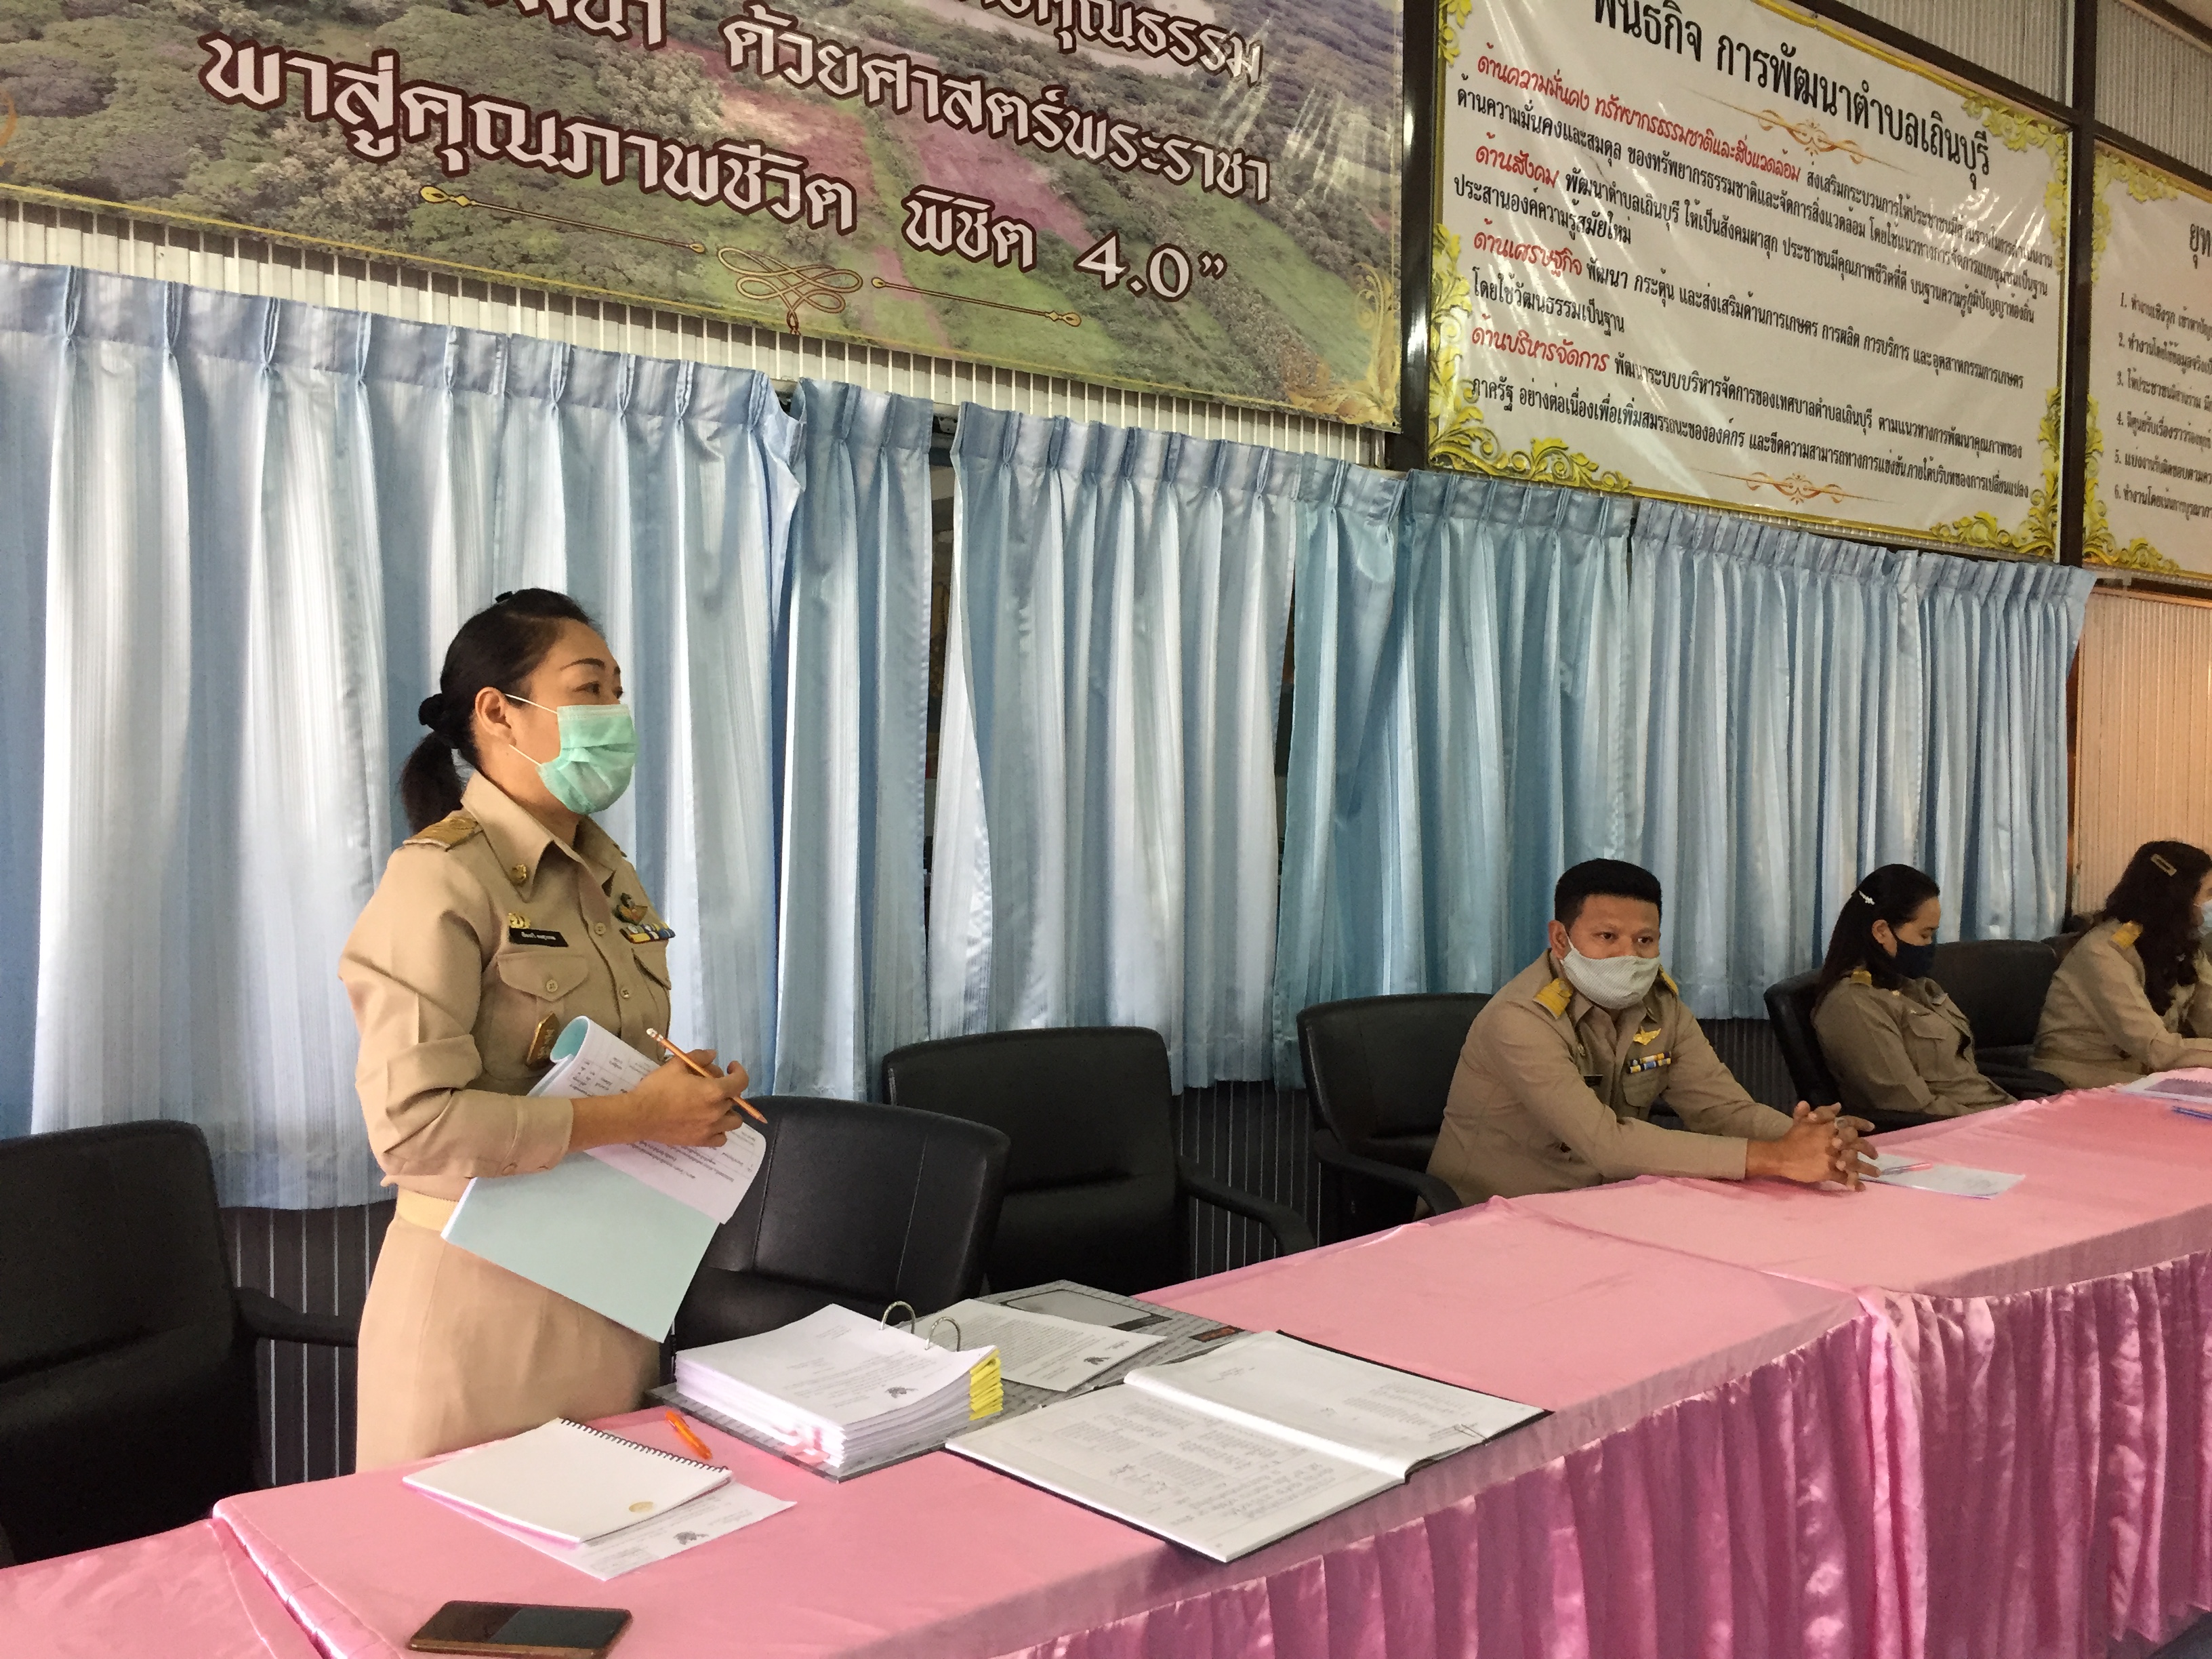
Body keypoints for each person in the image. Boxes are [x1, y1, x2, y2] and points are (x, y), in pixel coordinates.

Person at [341, 590, 756, 1470]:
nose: (615, 714)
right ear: (499, 713)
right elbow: (412, 1130)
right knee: (467, 1559)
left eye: (617, 692)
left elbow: (592, 1065)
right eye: (589, 688)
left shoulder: (609, 875)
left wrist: (674, 1090)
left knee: (624, 1543)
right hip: (478, 1308)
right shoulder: (441, 879)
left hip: (608, 1288)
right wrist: (641, 1116)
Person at [1427, 859, 1875, 1205]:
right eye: (1607, 937)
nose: (1629, 955)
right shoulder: (1522, 1018)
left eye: (1645, 940)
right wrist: (1776, 1157)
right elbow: (1606, 1144)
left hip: (1604, 1209)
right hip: (1490, 1220)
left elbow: (1721, 1109)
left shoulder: (1661, 1006)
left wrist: (1817, 1139)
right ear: (1561, 939)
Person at [1811, 865, 2018, 1118]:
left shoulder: (1912, 985)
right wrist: (1996, 1123)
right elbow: (1910, 1107)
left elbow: (1962, 1076)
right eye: (1924, 935)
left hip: (1996, 1113)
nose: (1929, 946)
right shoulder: (1853, 1005)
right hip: (1959, 1128)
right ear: (1882, 931)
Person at [2034, 840, 2212, 1090]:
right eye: (2209, 893)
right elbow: (2154, 1047)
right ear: (2176, 896)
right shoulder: (2103, 952)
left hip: (2141, 1078)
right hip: (2078, 1082)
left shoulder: (2182, 948)